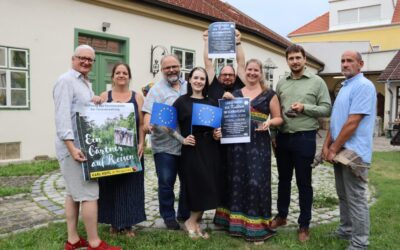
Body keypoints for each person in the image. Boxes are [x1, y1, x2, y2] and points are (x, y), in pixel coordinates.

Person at [53, 45, 121, 250]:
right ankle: (94, 242)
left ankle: (73, 240)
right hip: (75, 147)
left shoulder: (84, 83)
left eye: (90, 60)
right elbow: (62, 118)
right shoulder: (66, 81)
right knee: (90, 194)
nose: (86, 62)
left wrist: (95, 100)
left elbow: (81, 109)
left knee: (72, 193)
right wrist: (72, 148)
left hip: (82, 144)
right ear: (73, 58)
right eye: (82, 58)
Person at [214, 59, 283, 243]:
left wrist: (269, 122)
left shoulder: (269, 94)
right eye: (249, 70)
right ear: (244, 72)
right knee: (234, 180)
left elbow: (279, 118)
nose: (252, 73)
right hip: (236, 144)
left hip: (258, 144)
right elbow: (226, 117)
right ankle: (233, 222)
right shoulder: (235, 93)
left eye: (256, 70)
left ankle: (256, 225)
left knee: (255, 182)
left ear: (261, 73)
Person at [271, 44, 331, 242]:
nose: (295, 61)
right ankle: (281, 216)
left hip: (305, 137)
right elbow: (276, 111)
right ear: (287, 61)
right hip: (283, 137)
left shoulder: (317, 82)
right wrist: (272, 134)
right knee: (283, 180)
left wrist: (305, 107)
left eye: (298, 57)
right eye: (291, 58)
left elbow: (326, 109)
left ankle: (304, 224)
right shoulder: (281, 84)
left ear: (305, 59)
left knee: (304, 183)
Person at [322, 51, 376, 250]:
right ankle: (346, 231)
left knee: (356, 198)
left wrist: (333, 148)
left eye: (349, 61)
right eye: (342, 60)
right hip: (339, 151)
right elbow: (336, 120)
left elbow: (353, 121)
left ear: (360, 64)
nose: (345, 64)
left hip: (354, 153)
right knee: (343, 195)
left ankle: (360, 243)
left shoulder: (364, 86)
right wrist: (326, 146)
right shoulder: (345, 86)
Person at [171, 66, 222, 239]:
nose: (199, 81)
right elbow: (165, 125)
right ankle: (190, 222)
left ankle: (195, 222)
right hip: (192, 148)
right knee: (196, 185)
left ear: (205, 82)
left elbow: (217, 127)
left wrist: (217, 133)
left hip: (211, 147)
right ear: (190, 80)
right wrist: (181, 139)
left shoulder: (212, 102)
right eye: (196, 78)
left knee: (209, 184)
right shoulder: (181, 102)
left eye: (202, 78)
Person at [97, 63, 146, 237]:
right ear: (113, 76)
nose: (121, 75)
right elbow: (98, 120)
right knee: (110, 186)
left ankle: (128, 224)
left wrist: (141, 143)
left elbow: (141, 124)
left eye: (125, 73)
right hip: (110, 148)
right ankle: (113, 222)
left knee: (130, 186)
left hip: (130, 147)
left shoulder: (137, 97)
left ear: (129, 76)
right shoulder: (105, 95)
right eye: (118, 72)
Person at [142, 54, 190, 230]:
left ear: (180, 67)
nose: (171, 70)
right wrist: (147, 124)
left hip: (187, 144)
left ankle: (184, 214)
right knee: (166, 182)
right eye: (167, 68)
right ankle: (168, 216)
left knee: (187, 181)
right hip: (164, 145)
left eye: (174, 66)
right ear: (162, 70)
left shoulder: (189, 85)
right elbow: (147, 111)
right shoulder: (156, 89)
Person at [203, 29, 245, 101]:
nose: (227, 77)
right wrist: (207, 41)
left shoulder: (239, 85)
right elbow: (208, 64)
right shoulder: (213, 85)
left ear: (235, 77)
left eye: (231, 75)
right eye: (224, 74)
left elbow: (241, 64)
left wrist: (237, 41)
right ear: (219, 76)